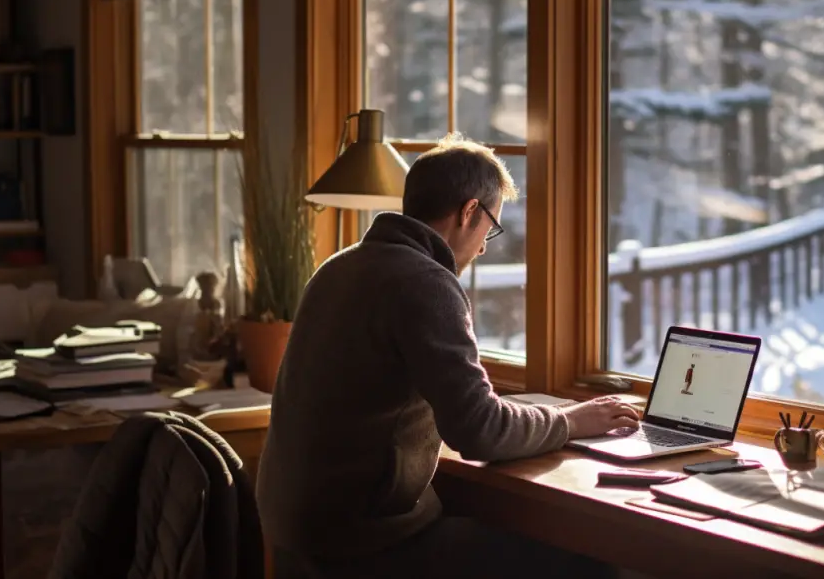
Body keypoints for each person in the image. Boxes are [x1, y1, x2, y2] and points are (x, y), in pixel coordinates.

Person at [257, 134, 641, 579]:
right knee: (588, 564)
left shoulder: (338, 267)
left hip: (292, 531)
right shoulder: (424, 282)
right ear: (469, 211)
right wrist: (574, 421)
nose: (482, 248)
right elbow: (478, 430)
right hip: (361, 544)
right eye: (490, 228)